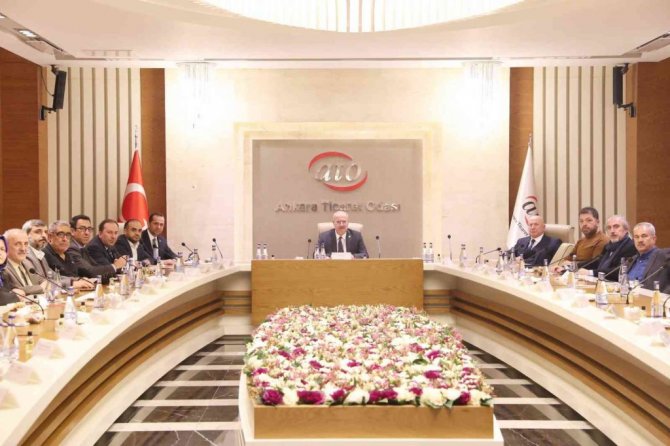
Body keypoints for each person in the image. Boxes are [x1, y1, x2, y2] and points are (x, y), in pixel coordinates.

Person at [41, 221, 94, 290]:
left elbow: (74, 275)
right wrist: (74, 282)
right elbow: (50, 281)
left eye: (68, 235)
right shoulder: (44, 255)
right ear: (50, 237)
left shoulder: (68, 254)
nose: (65, 239)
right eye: (60, 234)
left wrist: (81, 279)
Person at [67, 214, 122, 281]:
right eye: (82, 229)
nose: (87, 233)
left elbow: (96, 267)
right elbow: (91, 271)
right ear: (72, 231)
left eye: (89, 229)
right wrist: (115, 266)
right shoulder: (71, 248)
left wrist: (116, 266)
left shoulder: (83, 248)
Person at [626, 222, 669, 293]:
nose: (640, 240)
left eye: (644, 236)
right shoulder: (631, 260)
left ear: (654, 239)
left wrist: (664, 296)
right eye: (636, 237)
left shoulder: (663, 256)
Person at [1, 229, 47, 295]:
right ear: (6, 246)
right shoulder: (3, 268)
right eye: (17, 244)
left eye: (26, 244)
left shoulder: (28, 262)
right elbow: (12, 291)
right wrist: (40, 288)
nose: (23, 248)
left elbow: (45, 282)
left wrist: (41, 287)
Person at [0, 235, 26, 305]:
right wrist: (15, 296)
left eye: (2, 249)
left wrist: (16, 291)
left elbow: (12, 288)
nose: (0, 253)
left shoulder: (3, 273)